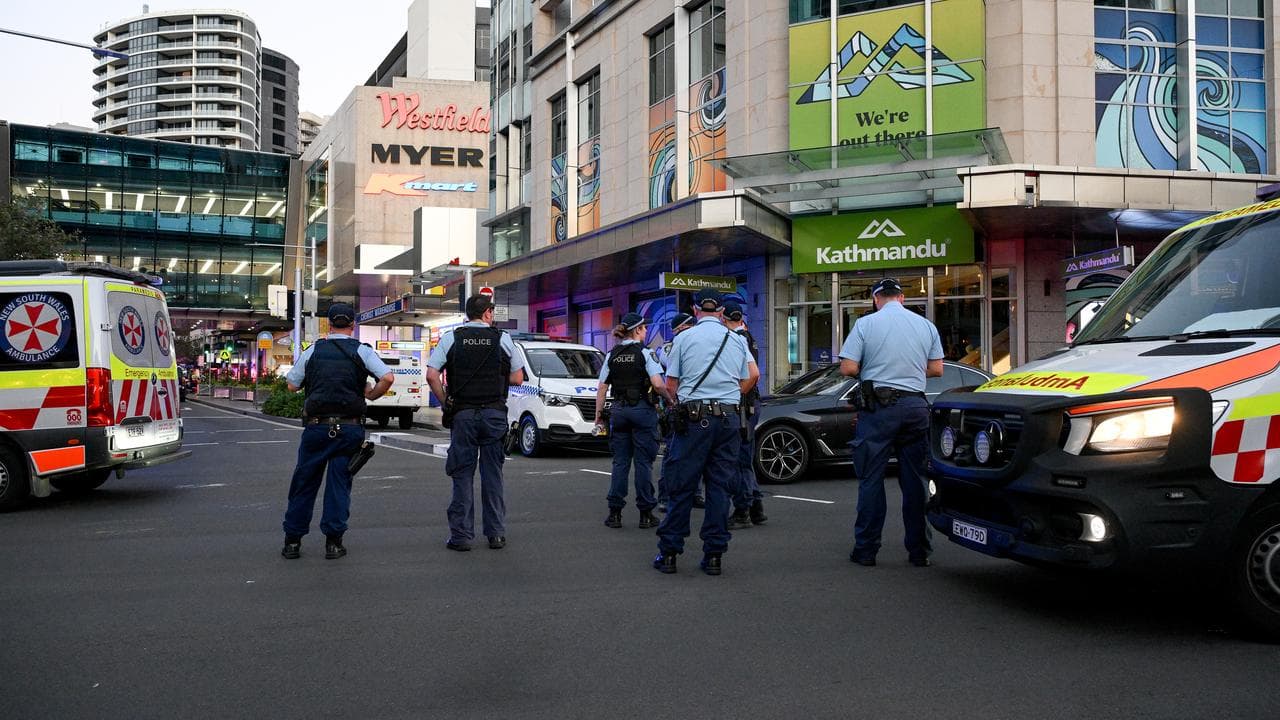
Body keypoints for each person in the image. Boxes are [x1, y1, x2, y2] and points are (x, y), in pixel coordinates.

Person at [838, 278, 944, 568]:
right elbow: (937, 369)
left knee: (871, 479)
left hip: (879, 410)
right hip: (915, 407)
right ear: (902, 298)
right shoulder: (925, 325)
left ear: (875, 299)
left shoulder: (866, 325)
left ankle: (866, 550)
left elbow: (848, 367)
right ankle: (919, 552)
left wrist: (873, 367)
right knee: (916, 482)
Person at [654, 288, 759, 576]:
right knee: (719, 487)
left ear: (696, 309)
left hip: (693, 418)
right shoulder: (736, 339)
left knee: (682, 485)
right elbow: (752, 375)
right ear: (722, 311)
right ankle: (714, 555)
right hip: (728, 419)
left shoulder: (684, 338)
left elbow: (671, 385)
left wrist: (680, 403)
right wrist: (730, 396)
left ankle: (670, 553)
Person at [280, 302, 395, 560]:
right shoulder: (362, 351)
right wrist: (371, 394)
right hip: (350, 428)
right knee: (339, 484)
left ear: (328, 325)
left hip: (317, 427)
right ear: (353, 325)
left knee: (305, 483)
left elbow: (291, 385)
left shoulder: (314, 351)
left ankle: (293, 542)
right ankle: (333, 543)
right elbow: (387, 378)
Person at [426, 294, 525, 551]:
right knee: (492, 474)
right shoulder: (502, 339)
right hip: (493, 414)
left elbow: (431, 375)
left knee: (462, 474)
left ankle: (461, 536)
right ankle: (496, 534)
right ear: (488, 314)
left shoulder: (452, 338)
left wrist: (445, 400)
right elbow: (517, 378)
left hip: (463, 414)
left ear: (468, 314)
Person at [595, 312, 674, 529]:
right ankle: (646, 514)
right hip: (642, 410)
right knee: (642, 463)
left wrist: (598, 418)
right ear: (638, 330)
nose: (647, 331)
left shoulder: (612, 354)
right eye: (645, 328)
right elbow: (658, 384)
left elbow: (601, 388)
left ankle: (615, 513)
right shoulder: (646, 353)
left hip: (619, 411)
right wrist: (669, 400)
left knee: (620, 463)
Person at [723, 299, 767, 530]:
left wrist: (736, 393)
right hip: (751, 403)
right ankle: (756, 507)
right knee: (745, 458)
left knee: (739, 460)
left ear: (724, 318)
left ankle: (742, 510)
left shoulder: (737, 339)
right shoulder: (750, 338)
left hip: (742, 404)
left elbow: (753, 375)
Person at [656, 311, 696, 513]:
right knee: (672, 453)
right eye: (690, 327)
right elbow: (671, 379)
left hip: (694, 404)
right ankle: (664, 495)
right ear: (681, 329)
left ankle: (695, 494)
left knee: (697, 453)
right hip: (677, 405)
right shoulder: (671, 347)